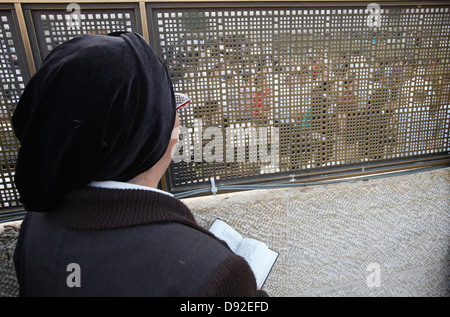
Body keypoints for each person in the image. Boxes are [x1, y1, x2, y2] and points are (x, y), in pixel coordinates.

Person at [12, 32, 267, 297]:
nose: (177, 119)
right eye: (170, 106)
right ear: (147, 131)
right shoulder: (212, 272)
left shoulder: (37, 221)